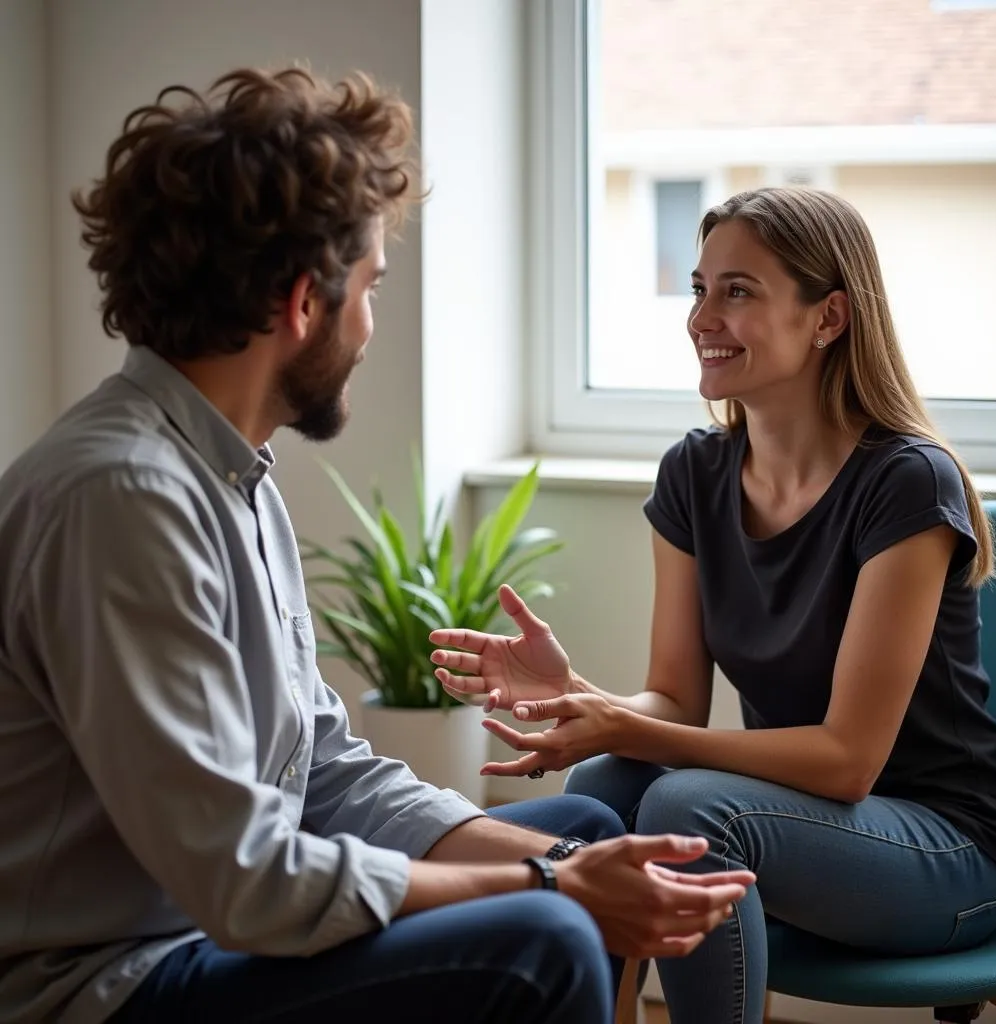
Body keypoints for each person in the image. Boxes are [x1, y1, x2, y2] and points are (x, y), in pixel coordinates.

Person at [0, 67, 754, 1024]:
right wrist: (553, 892)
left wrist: (563, 866)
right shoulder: (123, 500)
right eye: (370, 288)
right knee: (549, 933)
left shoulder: (231, 475)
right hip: (112, 982)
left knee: (589, 828)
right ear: (300, 302)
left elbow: (314, 767)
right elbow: (248, 881)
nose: (369, 326)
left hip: (209, 930)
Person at [431, 186, 996, 1024]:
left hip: (946, 853)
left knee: (685, 807)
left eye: (738, 291)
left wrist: (627, 721)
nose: (702, 315)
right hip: (810, 828)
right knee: (608, 783)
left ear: (828, 318)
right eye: (700, 288)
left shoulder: (905, 482)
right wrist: (587, 700)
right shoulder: (696, 475)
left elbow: (848, 761)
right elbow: (672, 699)